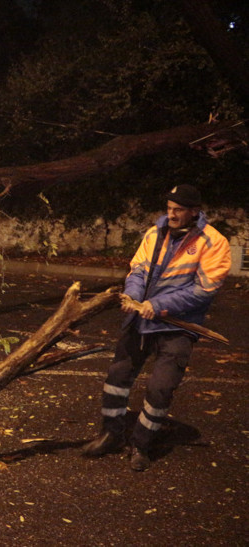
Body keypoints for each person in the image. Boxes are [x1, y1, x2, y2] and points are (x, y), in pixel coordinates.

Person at [83, 184, 231, 470]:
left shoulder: (214, 242)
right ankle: (111, 434)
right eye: (169, 208)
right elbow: (138, 269)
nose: (171, 214)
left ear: (194, 212)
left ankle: (141, 444)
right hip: (141, 319)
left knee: (161, 388)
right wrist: (135, 297)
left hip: (178, 327)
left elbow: (204, 289)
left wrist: (159, 305)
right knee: (117, 377)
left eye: (178, 210)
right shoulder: (155, 232)